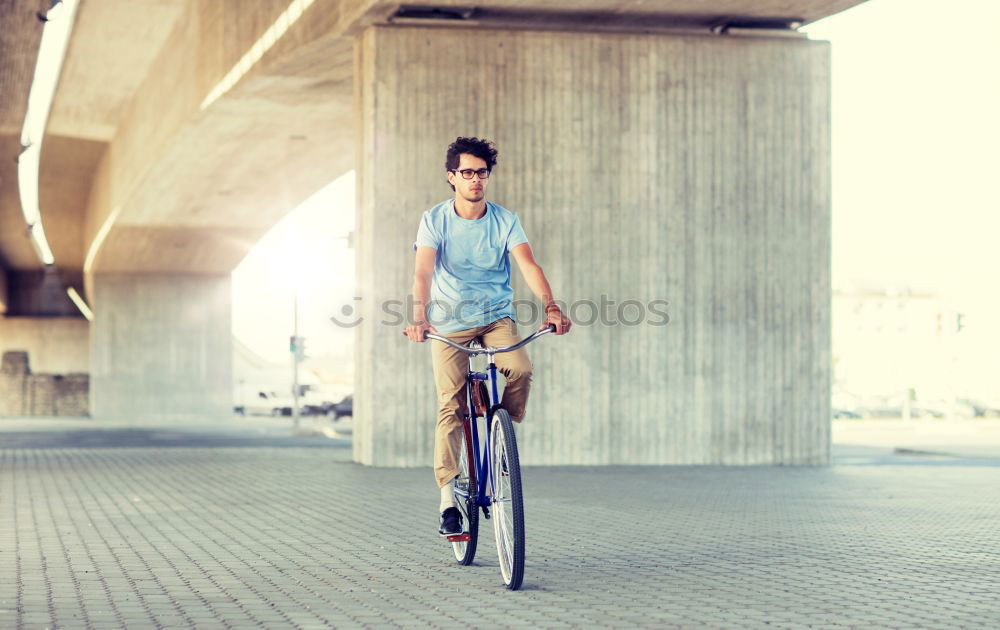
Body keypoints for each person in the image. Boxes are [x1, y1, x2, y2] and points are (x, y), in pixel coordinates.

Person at [403, 136, 572, 536]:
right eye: (467, 173)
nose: (476, 179)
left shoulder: (505, 220)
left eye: (482, 172)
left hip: (496, 317)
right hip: (448, 321)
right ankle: (448, 499)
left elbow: (529, 266)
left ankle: (502, 439)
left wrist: (550, 305)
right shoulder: (435, 220)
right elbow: (423, 272)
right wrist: (419, 317)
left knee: (520, 369)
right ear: (452, 177)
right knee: (451, 406)